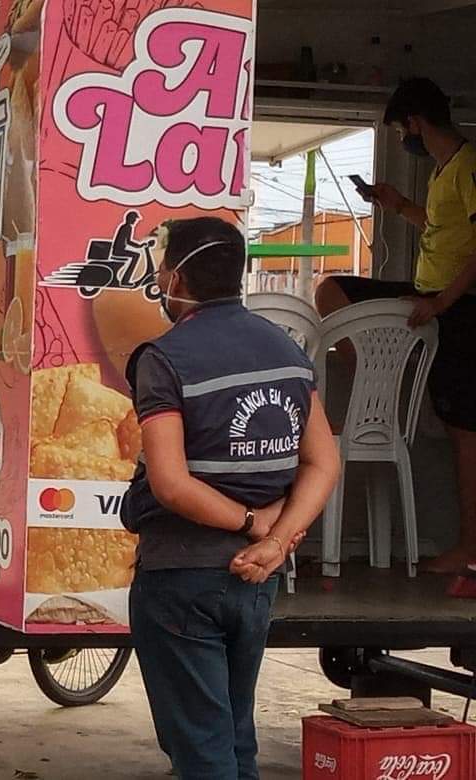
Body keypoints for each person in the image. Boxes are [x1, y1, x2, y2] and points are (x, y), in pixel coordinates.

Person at [121, 217, 340, 780]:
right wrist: (277, 541)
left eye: (162, 270)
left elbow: (170, 483)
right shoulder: (287, 350)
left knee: (203, 753)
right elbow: (323, 462)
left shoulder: (165, 358)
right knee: (236, 741)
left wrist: (252, 525)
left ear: (175, 278)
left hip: (181, 579)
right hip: (255, 582)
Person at [316, 77, 476, 574]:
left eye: (402, 132)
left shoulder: (468, 165)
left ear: (414, 123)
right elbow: (444, 230)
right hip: (430, 295)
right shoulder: (443, 171)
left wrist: (442, 302)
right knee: (331, 290)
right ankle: (377, 382)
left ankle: (469, 548)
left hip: (459, 306)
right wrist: (399, 205)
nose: (404, 140)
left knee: (464, 431)